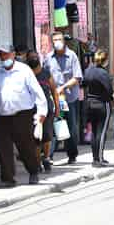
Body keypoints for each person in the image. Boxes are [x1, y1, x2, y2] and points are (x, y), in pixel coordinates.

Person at [0, 45, 47, 188]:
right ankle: (7, 178)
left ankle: (33, 171)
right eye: (1, 55)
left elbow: (37, 93)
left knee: (26, 148)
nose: (3, 58)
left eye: (6, 54)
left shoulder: (24, 71)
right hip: (3, 117)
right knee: (3, 148)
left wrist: (41, 113)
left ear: (13, 54)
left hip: (23, 116)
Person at [44, 31, 83, 165]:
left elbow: (77, 77)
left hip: (69, 98)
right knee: (54, 125)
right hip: (54, 99)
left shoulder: (72, 56)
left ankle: (72, 154)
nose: (57, 42)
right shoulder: (48, 58)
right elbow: (45, 76)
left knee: (71, 127)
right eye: (54, 40)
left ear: (64, 41)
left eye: (59, 39)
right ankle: (49, 156)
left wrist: (63, 87)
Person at [27, 52, 60, 173]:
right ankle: (36, 162)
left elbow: (54, 91)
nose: (33, 58)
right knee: (35, 138)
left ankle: (46, 158)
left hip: (47, 110)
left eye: (35, 56)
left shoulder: (46, 73)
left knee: (46, 136)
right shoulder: (26, 74)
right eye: (31, 57)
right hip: (31, 110)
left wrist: (57, 108)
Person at [84, 50, 113, 167]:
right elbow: (109, 90)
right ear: (105, 60)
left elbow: (83, 83)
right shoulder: (103, 73)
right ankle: (99, 159)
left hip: (90, 103)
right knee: (101, 133)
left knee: (94, 132)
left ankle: (95, 158)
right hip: (102, 104)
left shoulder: (88, 70)